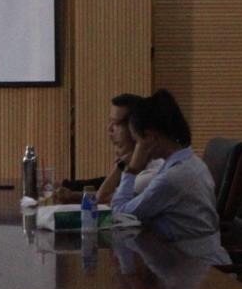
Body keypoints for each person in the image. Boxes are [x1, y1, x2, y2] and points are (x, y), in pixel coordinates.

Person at [112, 90, 231, 266]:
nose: (137, 148)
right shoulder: (191, 162)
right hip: (188, 262)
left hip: (197, 269)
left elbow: (119, 215)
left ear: (150, 137)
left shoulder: (173, 178)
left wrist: (131, 170)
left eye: (137, 141)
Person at [51, 93, 162, 203]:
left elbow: (104, 197)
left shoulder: (150, 174)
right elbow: (107, 186)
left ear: (137, 127)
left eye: (116, 123)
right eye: (110, 122)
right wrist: (69, 189)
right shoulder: (142, 165)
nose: (109, 130)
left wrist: (121, 166)